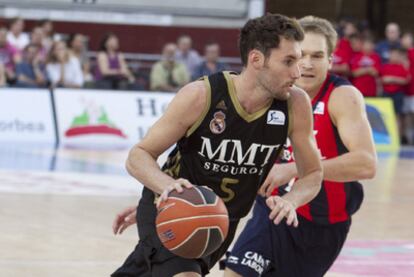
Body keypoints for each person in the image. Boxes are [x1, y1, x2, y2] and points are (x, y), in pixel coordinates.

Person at [112, 13, 323, 277]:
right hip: (170, 207)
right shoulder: (202, 96)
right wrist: (166, 187)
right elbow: (138, 155)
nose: (298, 71)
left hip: (222, 222)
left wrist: (292, 200)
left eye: (299, 60)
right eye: (289, 61)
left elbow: (313, 174)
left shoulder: (295, 104)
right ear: (256, 59)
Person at [224, 15, 377, 277]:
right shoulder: (273, 90)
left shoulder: (342, 96)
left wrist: (295, 168)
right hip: (273, 209)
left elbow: (366, 164)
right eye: (300, 55)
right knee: (237, 273)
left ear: (330, 61)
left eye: (317, 56)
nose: (307, 64)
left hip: (324, 224)